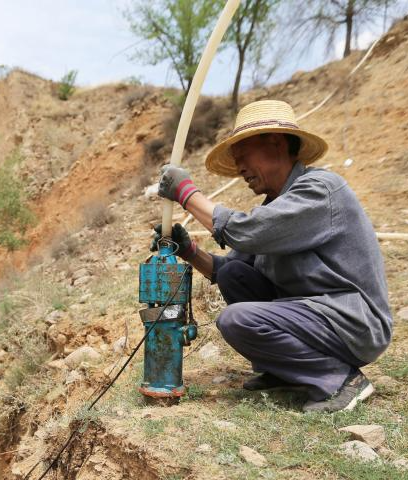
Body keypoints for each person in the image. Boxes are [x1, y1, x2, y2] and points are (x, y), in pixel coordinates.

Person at [156, 99, 392, 413]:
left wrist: (185, 193)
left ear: (276, 143)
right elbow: (228, 269)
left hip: (351, 323)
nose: (240, 169)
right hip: (310, 317)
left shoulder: (320, 190)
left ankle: (340, 380)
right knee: (234, 275)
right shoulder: (275, 205)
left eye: (243, 156)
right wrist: (189, 252)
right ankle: (284, 370)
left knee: (236, 320)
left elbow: (246, 230)